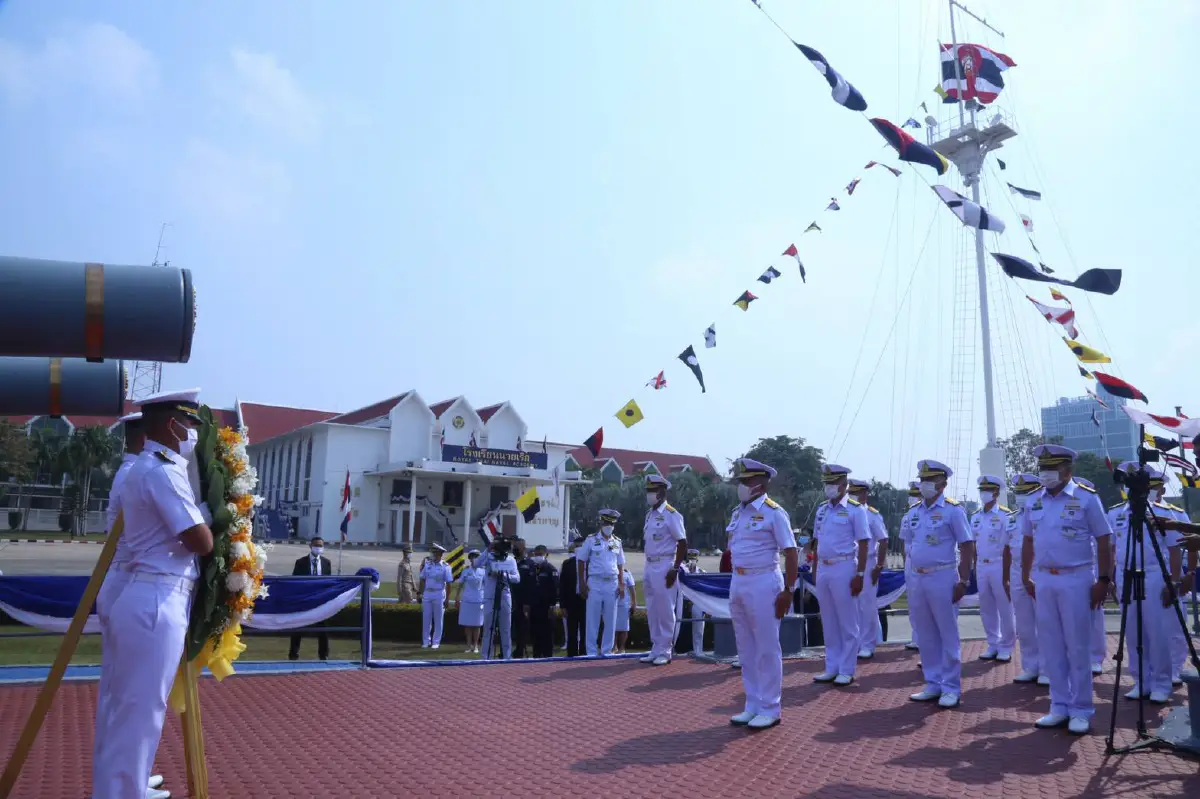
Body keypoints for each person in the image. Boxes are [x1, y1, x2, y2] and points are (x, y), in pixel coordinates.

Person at [92, 389, 214, 799]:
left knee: (129, 708)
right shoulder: (162, 470)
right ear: (170, 423)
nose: (191, 434)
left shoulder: (150, 467)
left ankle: (118, 787)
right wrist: (218, 515)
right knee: (139, 712)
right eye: (189, 425)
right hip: (156, 599)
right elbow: (200, 541)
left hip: (146, 594)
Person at [1022, 444, 1113, 735]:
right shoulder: (1033, 501)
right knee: (1051, 645)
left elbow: (1103, 539)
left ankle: (1081, 709)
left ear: (1067, 470)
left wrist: (1103, 580)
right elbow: (1026, 540)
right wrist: (1026, 576)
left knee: (1077, 646)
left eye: (1051, 469)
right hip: (1045, 579)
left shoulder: (1086, 499)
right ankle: (1058, 706)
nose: (1046, 474)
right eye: (1043, 469)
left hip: (1077, 577)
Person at [726, 458, 798, 731]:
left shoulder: (774, 513)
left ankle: (770, 707)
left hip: (764, 581)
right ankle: (752, 703)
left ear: (761, 483)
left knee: (767, 648)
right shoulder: (738, 513)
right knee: (746, 648)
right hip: (739, 580)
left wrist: (789, 591)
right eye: (741, 481)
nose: (742, 486)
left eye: (746, 481)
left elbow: (790, 552)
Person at [905, 459, 973, 709]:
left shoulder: (953, 511)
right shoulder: (913, 512)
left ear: (943, 484)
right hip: (918, 577)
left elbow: (967, 546)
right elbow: (910, 546)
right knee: (925, 633)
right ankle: (932, 683)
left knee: (947, 633)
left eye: (930, 480)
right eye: (922, 480)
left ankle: (951, 687)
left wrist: (964, 580)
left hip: (943, 575)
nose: (925, 485)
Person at [811, 465, 869, 686]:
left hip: (844, 566)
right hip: (824, 569)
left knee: (847, 621)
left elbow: (864, 543)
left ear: (845, 485)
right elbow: (817, 542)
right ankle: (831, 666)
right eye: (827, 483)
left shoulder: (856, 510)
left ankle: (846, 668)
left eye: (833, 483)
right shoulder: (822, 510)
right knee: (829, 620)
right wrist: (815, 571)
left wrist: (860, 574)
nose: (829, 487)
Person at [640, 474, 688, 666]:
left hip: (665, 564)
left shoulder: (671, 514)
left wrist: (675, 568)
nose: (649, 494)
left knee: (666, 609)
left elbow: (682, 543)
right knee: (652, 609)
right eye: (648, 491)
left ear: (661, 492)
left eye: (652, 491)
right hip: (649, 564)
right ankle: (656, 647)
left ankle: (666, 649)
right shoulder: (649, 514)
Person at [1007, 473, 1047, 685]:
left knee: (1045, 622)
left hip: (1039, 570)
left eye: (1026, 492)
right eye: (1019, 492)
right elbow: (1007, 548)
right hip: (1017, 571)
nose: (1022, 497)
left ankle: (1048, 669)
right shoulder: (1012, 517)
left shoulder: (1045, 513)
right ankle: (1030, 666)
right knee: (1024, 623)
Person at [972, 474, 1015, 663]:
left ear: (996, 493)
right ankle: (993, 643)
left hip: (999, 564)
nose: (984, 493)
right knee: (986, 607)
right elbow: (972, 543)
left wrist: (1008, 572)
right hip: (981, 565)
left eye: (987, 490)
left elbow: (1010, 546)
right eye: (982, 490)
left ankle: (1006, 646)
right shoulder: (975, 516)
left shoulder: (1006, 515)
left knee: (1005, 607)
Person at [848, 478, 888, 660]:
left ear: (864, 494)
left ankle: (867, 644)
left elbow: (883, 540)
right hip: (849, 562)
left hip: (869, 562)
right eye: (850, 492)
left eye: (855, 492)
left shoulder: (872, 515)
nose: (852, 495)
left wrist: (879, 565)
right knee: (851, 606)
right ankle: (854, 642)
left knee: (867, 606)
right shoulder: (847, 512)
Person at [578, 509, 626, 656]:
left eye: (611, 523)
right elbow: (581, 560)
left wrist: (622, 583)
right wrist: (582, 582)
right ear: (601, 523)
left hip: (612, 583)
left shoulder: (617, 542)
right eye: (606, 522)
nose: (609, 526)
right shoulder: (591, 540)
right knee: (592, 619)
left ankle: (607, 651)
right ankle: (591, 652)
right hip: (595, 582)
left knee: (610, 619)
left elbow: (620, 564)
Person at [1073, 476, 1108, 675]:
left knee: (1094, 618)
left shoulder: (1095, 514)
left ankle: (1096, 657)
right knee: (1075, 620)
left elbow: (1107, 546)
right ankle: (1080, 657)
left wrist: (1105, 578)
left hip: (1093, 571)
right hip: (1077, 571)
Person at [289, 536, 332, 661]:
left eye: (320, 546)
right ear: (310, 546)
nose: (318, 548)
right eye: (316, 545)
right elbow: (294, 581)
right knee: (298, 628)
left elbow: (328, 582)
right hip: (304, 600)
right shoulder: (301, 562)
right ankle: (293, 654)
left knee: (323, 629)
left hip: (320, 601)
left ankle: (324, 655)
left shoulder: (326, 563)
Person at [478, 539, 521, 660]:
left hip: (505, 595)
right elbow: (476, 563)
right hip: (490, 596)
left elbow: (517, 578)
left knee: (506, 628)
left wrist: (504, 575)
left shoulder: (510, 560)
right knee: (488, 627)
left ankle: (507, 656)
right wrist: (488, 549)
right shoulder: (489, 557)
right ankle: (486, 656)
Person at [900, 480, 921, 652]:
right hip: (910, 561)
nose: (912, 499)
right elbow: (904, 541)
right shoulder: (907, 516)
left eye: (915, 495)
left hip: (924, 562)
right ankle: (916, 636)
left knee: (924, 602)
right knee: (912, 601)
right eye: (911, 495)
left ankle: (924, 638)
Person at [418, 543, 453, 649]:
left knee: (438, 619)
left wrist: (447, 599)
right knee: (426, 618)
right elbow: (422, 579)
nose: (432, 554)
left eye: (435, 552)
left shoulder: (446, 567)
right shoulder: (428, 564)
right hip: (428, 593)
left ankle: (436, 642)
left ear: (440, 554)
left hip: (439, 593)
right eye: (432, 552)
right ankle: (425, 641)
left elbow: (449, 583)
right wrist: (420, 593)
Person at [529, 544, 560, 658]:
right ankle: (536, 655)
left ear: (546, 555)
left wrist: (554, 604)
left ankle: (548, 655)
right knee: (535, 632)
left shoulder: (551, 569)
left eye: (540, 554)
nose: (538, 556)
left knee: (547, 632)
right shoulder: (532, 569)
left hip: (547, 606)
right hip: (535, 605)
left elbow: (556, 588)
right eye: (536, 554)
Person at [559, 535, 587, 656]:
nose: (579, 548)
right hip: (571, 601)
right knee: (572, 630)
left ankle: (584, 653)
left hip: (586, 600)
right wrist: (563, 605)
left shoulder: (590, 562)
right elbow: (562, 585)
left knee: (586, 629)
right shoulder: (567, 564)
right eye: (577, 546)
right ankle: (571, 653)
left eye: (581, 546)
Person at [454, 549, 485, 653]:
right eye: (473, 557)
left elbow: (486, 586)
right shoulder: (466, 570)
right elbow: (460, 584)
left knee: (477, 624)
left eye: (477, 557)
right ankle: (468, 645)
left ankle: (476, 645)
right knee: (467, 624)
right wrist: (457, 598)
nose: (474, 559)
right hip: (467, 599)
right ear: (470, 559)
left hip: (479, 600)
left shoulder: (483, 571)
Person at [680, 548, 706, 656]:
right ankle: (680, 650)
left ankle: (698, 651)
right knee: (681, 628)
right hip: (684, 602)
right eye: (690, 559)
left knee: (698, 629)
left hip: (697, 602)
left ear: (697, 560)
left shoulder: (702, 573)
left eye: (694, 560)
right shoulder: (682, 572)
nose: (692, 562)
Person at [512, 538, 534, 658]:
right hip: (511, 599)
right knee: (510, 627)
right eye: (514, 547)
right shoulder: (511, 562)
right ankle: (507, 650)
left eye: (518, 547)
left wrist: (527, 603)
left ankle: (520, 650)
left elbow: (530, 585)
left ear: (524, 548)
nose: (515, 549)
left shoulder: (529, 563)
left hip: (523, 601)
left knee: (522, 627)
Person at [615, 566, 637, 654]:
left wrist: (634, 602)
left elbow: (632, 588)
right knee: (613, 628)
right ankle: (613, 647)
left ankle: (622, 648)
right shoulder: (610, 572)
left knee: (624, 628)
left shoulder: (627, 573)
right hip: (613, 603)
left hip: (624, 604)